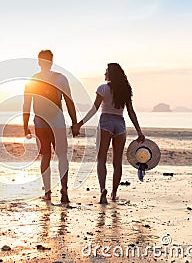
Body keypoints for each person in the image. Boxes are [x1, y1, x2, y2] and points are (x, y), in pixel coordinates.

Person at [72, 63, 145, 204]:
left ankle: (102, 191)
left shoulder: (103, 88)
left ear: (110, 74)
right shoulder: (126, 90)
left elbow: (94, 109)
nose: (104, 73)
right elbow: (131, 112)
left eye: (106, 71)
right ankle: (114, 192)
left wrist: (79, 124)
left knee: (101, 159)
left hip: (105, 122)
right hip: (120, 124)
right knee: (117, 162)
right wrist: (139, 131)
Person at [23, 50, 77, 203]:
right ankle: (64, 189)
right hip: (58, 122)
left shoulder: (33, 80)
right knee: (62, 155)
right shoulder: (61, 78)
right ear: (52, 61)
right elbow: (69, 101)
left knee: (45, 156)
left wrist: (25, 125)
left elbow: (26, 104)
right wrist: (74, 123)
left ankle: (47, 192)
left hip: (40, 122)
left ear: (39, 62)